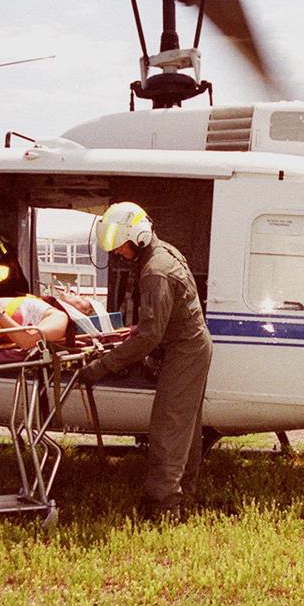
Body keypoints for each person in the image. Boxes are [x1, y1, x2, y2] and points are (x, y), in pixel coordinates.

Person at [78, 202, 213, 521]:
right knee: (185, 428)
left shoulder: (155, 272)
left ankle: (164, 506)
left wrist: (102, 366)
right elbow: (160, 323)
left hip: (185, 351)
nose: (119, 254)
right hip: (189, 347)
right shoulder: (163, 252)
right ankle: (185, 492)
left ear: (136, 238)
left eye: (121, 247)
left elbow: (150, 336)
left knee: (168, 428)